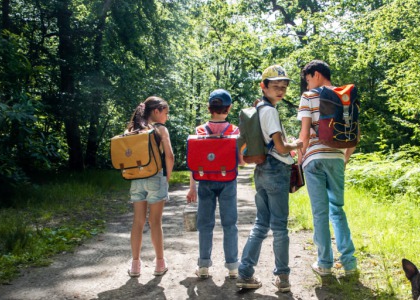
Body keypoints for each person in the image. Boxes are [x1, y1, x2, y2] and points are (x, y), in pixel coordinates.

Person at [236, 65, 303, 293]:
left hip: (262, 169)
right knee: (280, 227)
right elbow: (282, 148)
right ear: (263, 86)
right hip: (276, 169)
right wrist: (297, 144)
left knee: (261, 224)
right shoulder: (271, 112)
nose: (280, 90)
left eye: (283, 87)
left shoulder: (259, 109)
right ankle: (283, 278)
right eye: (275, 86)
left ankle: (245, 273)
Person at [297, 60, 358, 278]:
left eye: (308, 80)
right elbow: (355, 135)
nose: (307, 86)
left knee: (320, 213)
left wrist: (299, 159)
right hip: (336, 159)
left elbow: (304, 134)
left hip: (314, 159)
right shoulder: (345, 97)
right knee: (337, 209)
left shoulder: (309, 97)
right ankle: (349, 263)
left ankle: (324, 263)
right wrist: (344, 159)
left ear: (316, 74)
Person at [186, 89, 240, 279]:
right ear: (229, 108)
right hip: (228, 181)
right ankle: (233, 267)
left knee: (205, 224)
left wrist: (192, 187)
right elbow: (240, 160)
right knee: (230, 224)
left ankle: (203, 266)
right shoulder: (234, 131)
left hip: (205, 180)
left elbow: (195, 162)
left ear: (209, 108)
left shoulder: (199, 131)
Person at [126, 96, 175, 277]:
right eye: (166, 112)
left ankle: (135, 265)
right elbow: (169, 156)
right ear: (156, 111)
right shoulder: (160, 129)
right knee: (155, 222)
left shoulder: (133, 129)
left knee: (137, 222)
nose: (166, 117)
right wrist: (166, 179)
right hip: (155, 177)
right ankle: (160, 264)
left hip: (136, 178)